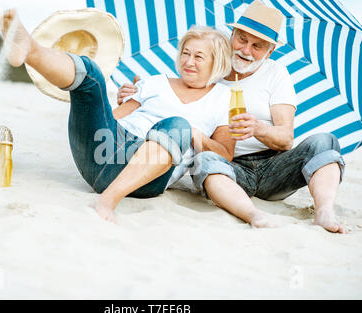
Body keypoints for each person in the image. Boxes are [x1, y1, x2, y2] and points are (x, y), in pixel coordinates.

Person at [117, 1, 347, 233]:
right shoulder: (209, 67)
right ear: (231, 35)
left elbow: (286, 138)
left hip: (275, 167)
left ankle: (324, 211)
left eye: (257, 45)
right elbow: (173, 97)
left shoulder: (276, 74)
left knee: (323, 141)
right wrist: (139, 95)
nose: (246, 50)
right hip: (227, 167)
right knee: (204, 160)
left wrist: (258, 129)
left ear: (270, 51)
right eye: (242, 39)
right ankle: (252, 214)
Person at [0, 9, 235, 223]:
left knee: (178, 126)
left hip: (149, 177)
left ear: (217, 62)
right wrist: (102, 103)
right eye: (185, 53)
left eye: (199, 57)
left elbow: (226, 154)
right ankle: (30, 50)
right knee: (92, 73)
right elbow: (113, 118)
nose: (188, 62)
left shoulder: (224, 99)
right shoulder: (155, 82)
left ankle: (107, 201)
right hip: (104, 151)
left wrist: (197, 137)